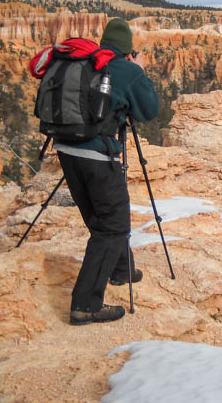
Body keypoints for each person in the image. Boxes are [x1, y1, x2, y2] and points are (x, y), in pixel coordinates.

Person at [54, 18, 159, 325]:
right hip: (97, 155)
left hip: (65, 151)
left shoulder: (87, 62)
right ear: (128, 50)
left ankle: (121, 269)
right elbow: (149, 111)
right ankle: (85, 305)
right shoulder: (126, 69)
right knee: (111, 226)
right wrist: (138, 70)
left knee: (103, 218)